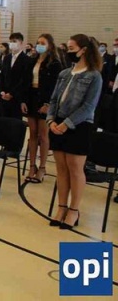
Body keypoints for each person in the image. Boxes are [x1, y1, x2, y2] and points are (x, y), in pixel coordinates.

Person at [47, 34, 102, 230]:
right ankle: (61, 207)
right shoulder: (64, 74)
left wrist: (67, 124)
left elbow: (88, 106)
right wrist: (51, 120)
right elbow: (54, 100)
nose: (68, 52)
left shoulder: (94, 76)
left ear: (83, 50)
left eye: (71, 49)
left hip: (79, 126)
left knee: (75, 170)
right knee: (61, 169)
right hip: (58, 123)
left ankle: (73, 210)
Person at [24, 34, 62, 183]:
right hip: (32, 97)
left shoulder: (55, 63)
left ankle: (42, 167)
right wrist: (23, 100)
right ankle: (32, 165)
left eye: (42, 43)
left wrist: (48, 104)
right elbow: (26, 81)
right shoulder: (32, 60)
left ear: (50, 45)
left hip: (45, 99)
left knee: (43, 135)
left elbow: (56, 86)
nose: (39, 45)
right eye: (38, 42)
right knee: (32, 133)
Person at [0, 32, 31, 120]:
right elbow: (2, 76)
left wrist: (12, 94)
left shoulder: (27, 60)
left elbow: (24, 80)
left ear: (21, 43)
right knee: (3, 122)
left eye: (14, 41)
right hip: (4, 97)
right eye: (10, 41)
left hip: (16, 98)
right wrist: (2, 91)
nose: (12, 43)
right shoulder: (7, 58)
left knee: (14, 123)